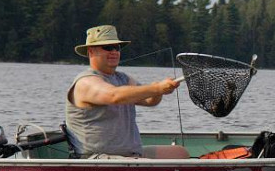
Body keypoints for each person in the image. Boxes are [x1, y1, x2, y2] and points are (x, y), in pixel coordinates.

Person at [65, 25, 186, 159]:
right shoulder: (86, 82)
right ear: (91, 51)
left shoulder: (123, 78)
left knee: (180, 153)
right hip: (97, 158)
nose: (114, 52)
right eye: (108, 47)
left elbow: (150, 101)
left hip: (129, 155)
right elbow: (114, 96)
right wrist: (156, 88)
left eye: (117, 47)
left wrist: (159, 91)